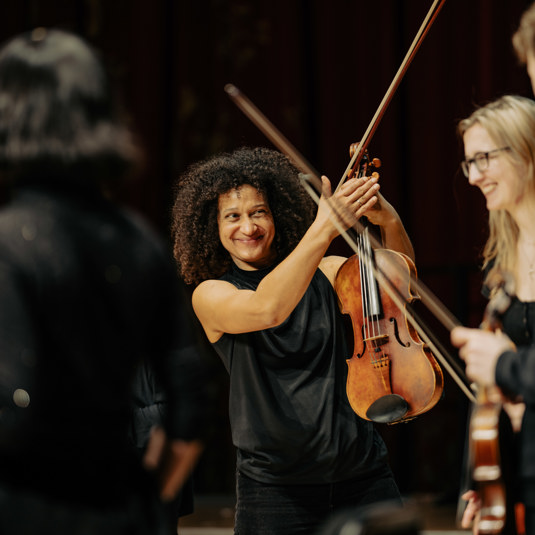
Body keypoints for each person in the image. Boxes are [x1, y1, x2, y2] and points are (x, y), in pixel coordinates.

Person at [0, 28, 205, 534]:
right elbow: (188, 406)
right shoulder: (137, 237)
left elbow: (15, 408)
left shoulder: (9, 239)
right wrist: (145, 502)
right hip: (124, 508)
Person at [171, 145, 416, 535]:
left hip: (363, 476)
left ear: (278, 216)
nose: (247, 227)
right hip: (274, 493)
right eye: (232, 216)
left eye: (259, 213)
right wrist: (324, 228)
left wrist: (388, 219)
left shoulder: (330, 271)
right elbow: (268, 308)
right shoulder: (212, 294)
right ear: (212, 227)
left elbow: (398, 287)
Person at [450, 95, 535, 534]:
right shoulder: (501, 259)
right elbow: (487, 394)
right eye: (469, 163)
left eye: (484, 158)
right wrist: (481, 479)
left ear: (526, 148)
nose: (475, 176)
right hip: (521, 472)